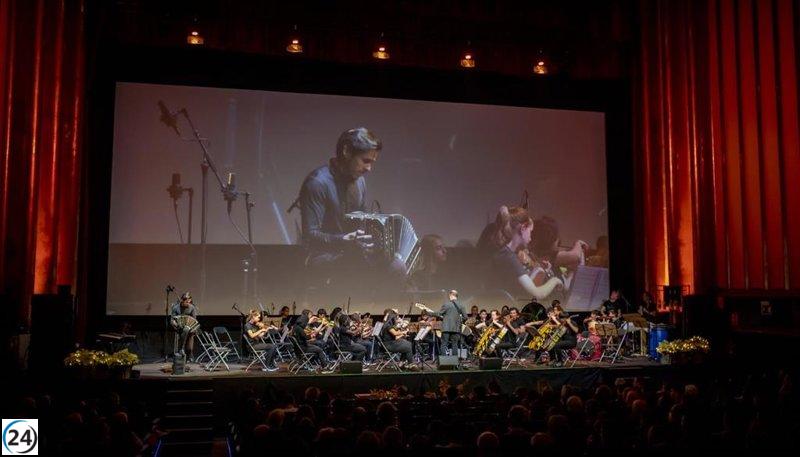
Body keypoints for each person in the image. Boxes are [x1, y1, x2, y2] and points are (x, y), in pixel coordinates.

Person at [296, 127, 381, 268]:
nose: (369, 168)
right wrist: (343, 240)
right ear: (346, 151)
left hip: (351, 254)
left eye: (372, 162)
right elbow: (310, 235)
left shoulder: (360, 181)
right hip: (322, 257)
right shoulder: (317, 183)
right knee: (359, 267)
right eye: (365, 160)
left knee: (395, 265)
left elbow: (361, 220)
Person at [485, 206, 564, 301]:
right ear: (523, 228)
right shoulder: (509, 257)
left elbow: (519, 286)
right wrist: (555, 280)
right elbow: (538, 294)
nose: (531, 237)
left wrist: (539, 271)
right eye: (530, 231)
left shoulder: (504, 253)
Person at [427, 290, 468, 356]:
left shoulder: (446, 305)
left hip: (446, 328)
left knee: (444, 344)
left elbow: (439, 314)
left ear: (450, 295)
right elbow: (465, 317)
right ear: (456, 296)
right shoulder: (461, 305)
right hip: (456, 328)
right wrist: (458, 321)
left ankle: (444, 363)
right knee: (455, 345)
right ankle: (455, 363)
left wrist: (429, 313)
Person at [170, 292, 198, 361]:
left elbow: (194, 320)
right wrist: (175, 324)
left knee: (189, 331)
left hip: (190, 328)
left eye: (189, 302)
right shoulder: (176, 308)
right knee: (185, 330)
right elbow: (172, 320)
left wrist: (191, 327)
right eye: (186, 301)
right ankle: (188, 353)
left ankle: (184, 349)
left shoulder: (192, 308)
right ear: (182, 300)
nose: (188, 303)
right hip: (179, 327)